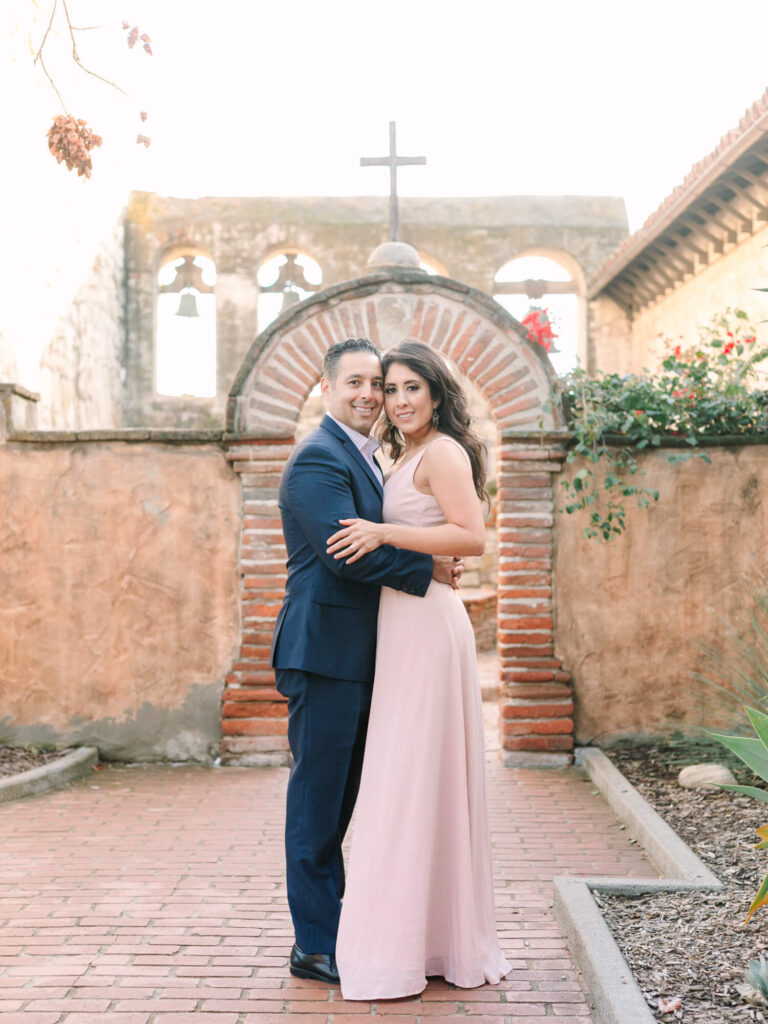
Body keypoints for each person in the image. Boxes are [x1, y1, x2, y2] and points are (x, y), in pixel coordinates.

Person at [271, 337, 461, 986]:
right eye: (353, 382)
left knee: (347, 802)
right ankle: (315, 945)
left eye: (376, 384)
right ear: (325, 389)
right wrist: (427, 565)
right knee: (319, 805)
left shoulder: (373, 456)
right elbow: (343, 552)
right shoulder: (317, 461)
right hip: (324, 654)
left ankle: (341, 929)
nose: (368, 395)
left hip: (360, 656)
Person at [328, 339, 511, 1000]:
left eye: (412, 388)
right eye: (391, 388)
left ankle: (417, 945)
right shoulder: (396, 455)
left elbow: (471, 536)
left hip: (430, 627)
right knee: (404, 778)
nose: (399, 400)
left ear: (436, 394)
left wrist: (384, 534)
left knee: (412, 777)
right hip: (399, 624)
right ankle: (421, 937)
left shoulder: (444, 452)